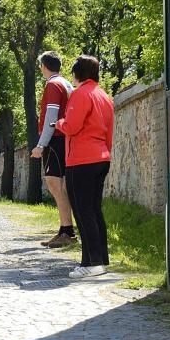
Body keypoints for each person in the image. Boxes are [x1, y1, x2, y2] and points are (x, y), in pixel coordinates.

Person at [56, 55, 114, 278]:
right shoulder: (103, 96)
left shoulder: (81, 94)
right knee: (94, 210)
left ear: (77, 73)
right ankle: (100, 259)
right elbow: (109, 130)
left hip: (81, 159)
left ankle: (91, 262)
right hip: (101, 157)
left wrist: (59, 123)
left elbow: (71, 126)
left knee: (82, 211)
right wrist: (105, 152)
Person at [30, 51, 76, 248]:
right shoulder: (66, 83)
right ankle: (65, 229)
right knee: (61, 186)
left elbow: (51, 117)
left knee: (54, 184)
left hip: (55, 140)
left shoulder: (52, 85)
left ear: (43, 66)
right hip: (64, 138)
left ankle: (67, 230)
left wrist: (41, 145)